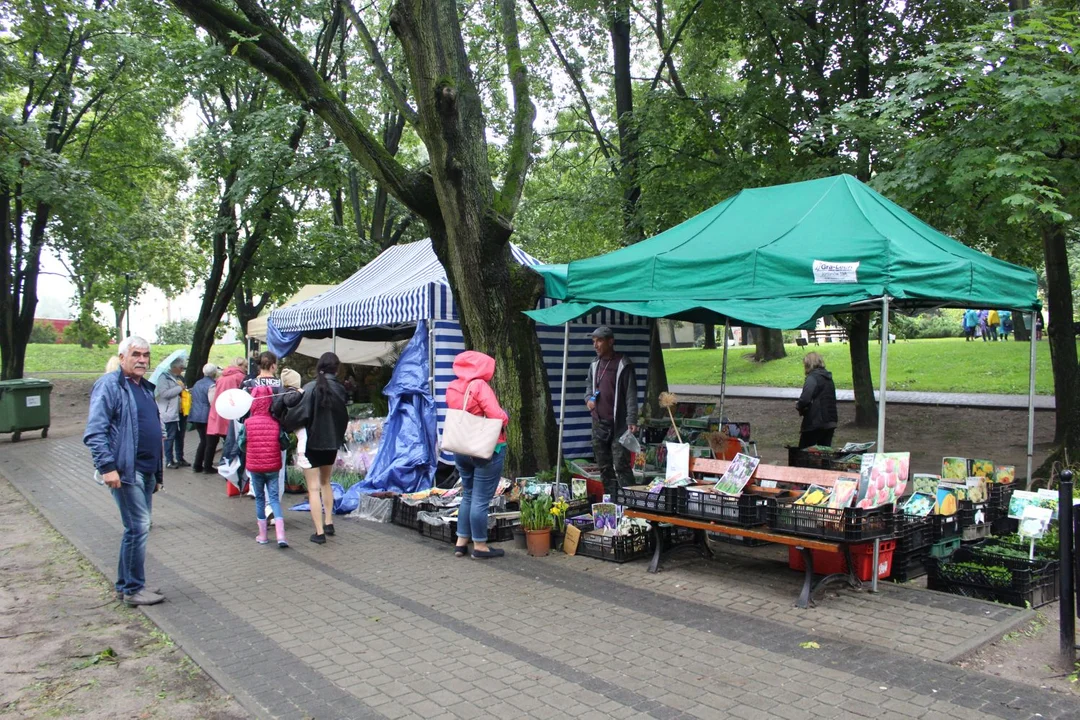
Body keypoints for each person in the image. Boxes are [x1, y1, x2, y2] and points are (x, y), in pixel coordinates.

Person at [82, 336, 165, 607]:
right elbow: (95, 431)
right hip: (127, 470)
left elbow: (151, 429)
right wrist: (107, 467)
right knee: (138, 527)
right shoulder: (110, 385)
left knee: (135, 528)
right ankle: (133, 589)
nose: (142, 359)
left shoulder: (143, 387)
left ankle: (126, 584)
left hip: (146, 470)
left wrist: (158, 475)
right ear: (122, 358)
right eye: (136, 354)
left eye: (146, 355)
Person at [445, 350, 510, 560]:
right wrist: (506, 416)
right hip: (484, 449)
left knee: (468, 495)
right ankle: (480, 546)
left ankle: (461, 542)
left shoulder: (454, 385)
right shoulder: (479, 386)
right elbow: (495, 416)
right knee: (481, 499)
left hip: (461, 448)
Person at [584, 326, 638, 500]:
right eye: (594, 341)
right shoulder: (594, 364)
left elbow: (631, 393)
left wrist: (632, 418)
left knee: (621, 465)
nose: (595, 345)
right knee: (604, 467)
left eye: (599, 340)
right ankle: (612, 503)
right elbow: (588, 388)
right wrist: (588, 399)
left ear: (610, 341)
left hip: (619, 425)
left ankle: (631, 504)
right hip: (598, 423)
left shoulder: (623, 363)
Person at [300, 352, 348, 544]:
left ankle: (319, 533)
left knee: (313, 488)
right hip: (331, 443)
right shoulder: (340, 389)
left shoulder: (309, 388)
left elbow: (300, 414)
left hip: (312, 443)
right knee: (326, 482)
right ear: (336, 369)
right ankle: (329, 522)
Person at [242, 385, 288, 548]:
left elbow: (242, 444)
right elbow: (284, 443)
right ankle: (281, 535)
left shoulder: (248, 423)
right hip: (273, 467)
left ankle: (263, 535)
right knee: (274, 499)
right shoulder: (275, 422)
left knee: (260, 499)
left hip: (255, 466)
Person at [203, 358, 246, 474]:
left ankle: (206, 466)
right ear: (240, 365)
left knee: (211, 443)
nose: (246, 369)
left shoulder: (221, 377)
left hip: (217, 411)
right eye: (245, 366)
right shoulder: (240, 377)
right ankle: (228, 467)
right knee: (231, 442)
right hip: (231, 412)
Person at [795, 352, 838, 449]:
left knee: (805, 453)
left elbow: (805, 399)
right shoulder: (828, 378)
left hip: (815, 422)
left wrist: (799, 406)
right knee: (824, 453)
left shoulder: (813, 378)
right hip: (830, 420)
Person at [155, 356, 188, 469]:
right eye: (181, 367)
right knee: (170, 437)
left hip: (181, 411)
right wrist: (179, 388)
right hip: (169, 412)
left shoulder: (180, 377)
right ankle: (169, 460)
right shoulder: (163, 378)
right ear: (174, 367)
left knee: (180, 437)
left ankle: (180, 458)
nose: (182, 370)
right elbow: (164, 394)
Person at [273, 368, 309, 469]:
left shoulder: (283, 391)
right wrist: (300, 393)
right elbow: (290, 401)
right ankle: (301, 456)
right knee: (303, 436)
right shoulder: (290, 392)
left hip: (286, 421)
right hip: (292, 421)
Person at [188, 364, 219, 473]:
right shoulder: (211, 385)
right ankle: (207, 466)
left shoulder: (197, 383)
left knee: (203, 441)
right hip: (206, 416)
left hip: (195, 414)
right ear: (214, 373)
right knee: (211, 441)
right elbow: (212, 402)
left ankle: (197, 465)